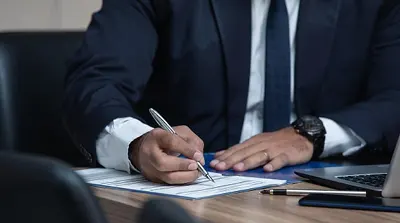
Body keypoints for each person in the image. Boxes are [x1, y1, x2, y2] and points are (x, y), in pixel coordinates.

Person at [63, 0, 400, 186]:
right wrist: (137, 144)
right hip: (195, 205)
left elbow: (394, 98)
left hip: (325, 203)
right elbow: (94, 83)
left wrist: (313, 134)